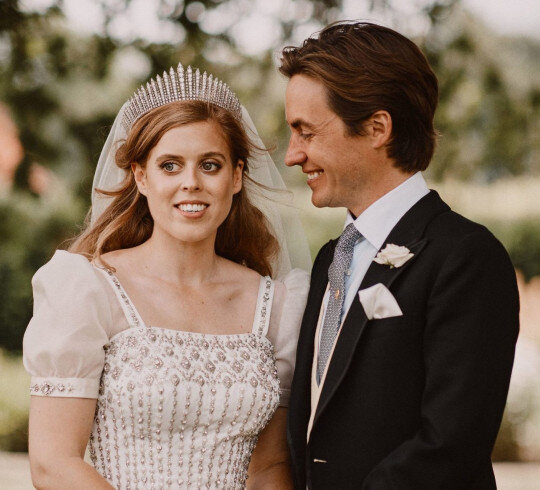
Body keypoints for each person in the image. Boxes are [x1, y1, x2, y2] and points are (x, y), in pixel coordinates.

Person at [23, 63, 311, 489]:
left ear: (236, 176)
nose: (190, 183)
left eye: (210, 165)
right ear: (141, 176)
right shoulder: (89, 289)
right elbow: (54, 463)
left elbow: (270, 468)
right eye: (170, 166)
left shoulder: (280, 306)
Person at [281, 22, 519, 489]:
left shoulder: (466, 258)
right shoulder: (330, 259)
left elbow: (451, 444)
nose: (293, 155)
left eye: (305, 132)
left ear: (377, 128)